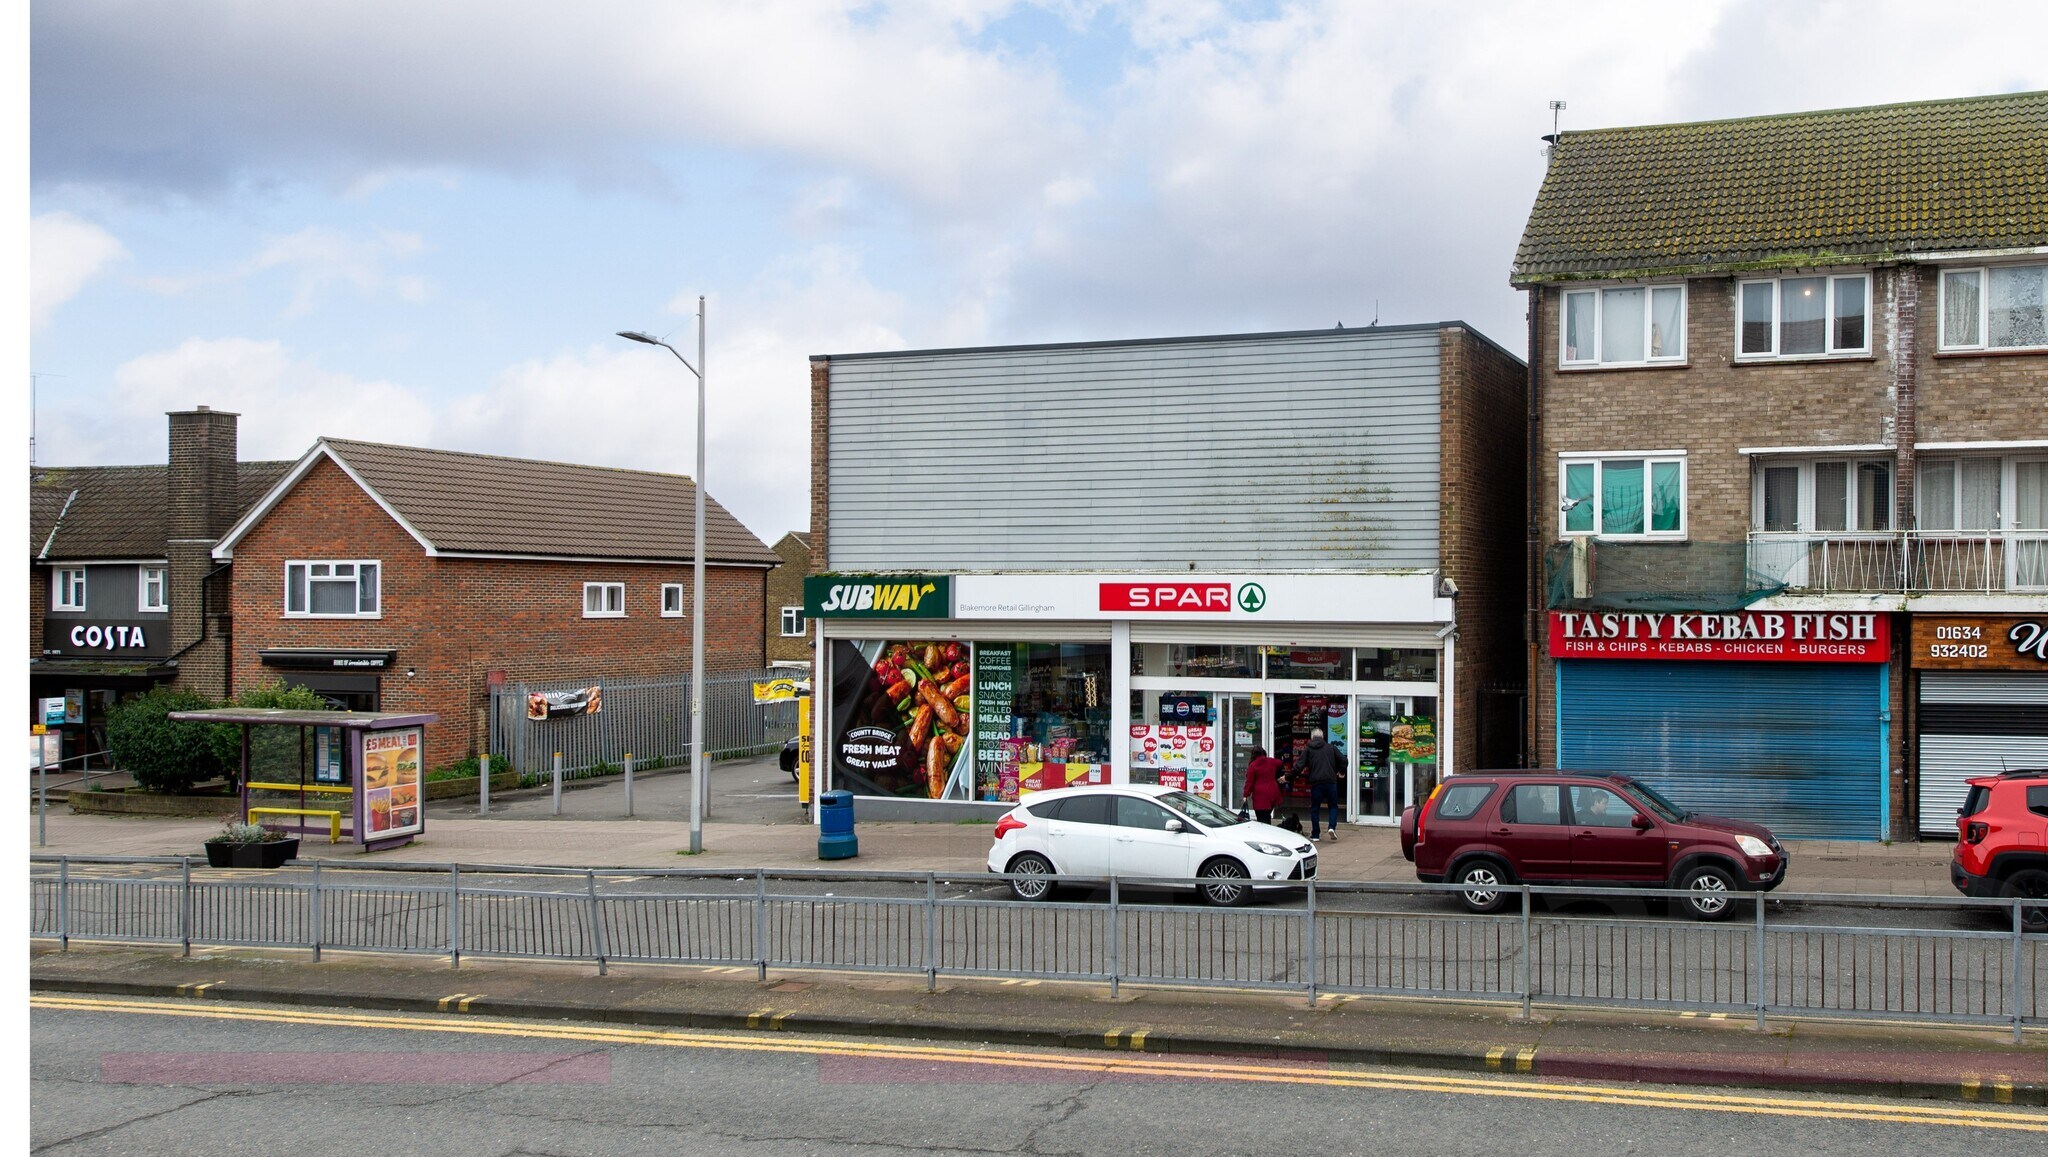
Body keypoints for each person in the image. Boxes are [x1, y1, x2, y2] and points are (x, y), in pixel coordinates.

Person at [1294, 727, 1345, 840]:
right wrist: (1341, 771)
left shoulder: (1308, 749)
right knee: (1333, 806)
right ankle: (1331, 827)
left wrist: (1288, 777)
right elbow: (1344, 760)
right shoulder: (1331, 747)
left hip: (1316, 783)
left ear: (1311, 738)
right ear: (1322, 737)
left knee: (1315, 808)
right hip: (1331, 781)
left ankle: (1316, 834)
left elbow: (1299, 766)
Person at [1243, 746, 1283, 825]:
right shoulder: (1271, 761)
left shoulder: (1253, 766)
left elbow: (1249, 782)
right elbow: (1280, 762)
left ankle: (1265, 835)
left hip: (1260, 796)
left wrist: (1245, 794)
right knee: (1267, 815)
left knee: (1262, 819)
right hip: (1272, 793)